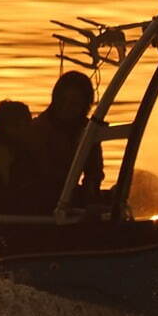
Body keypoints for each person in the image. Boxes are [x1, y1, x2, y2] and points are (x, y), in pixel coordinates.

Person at [29, 70, 104, 211]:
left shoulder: (89, 132)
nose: (68, 108)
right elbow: (42, 178)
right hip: (40, 203)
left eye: (75, 104)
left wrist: (91, 195)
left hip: (71, 201)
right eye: (64, 102)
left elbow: (94, 173)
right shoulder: (37, 131)